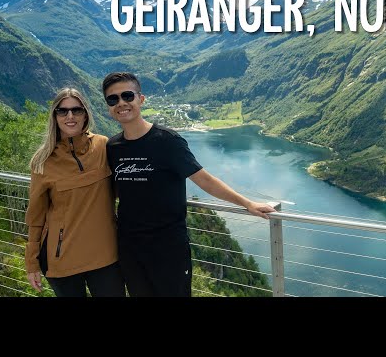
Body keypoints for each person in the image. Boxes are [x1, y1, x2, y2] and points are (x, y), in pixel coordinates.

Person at [102, 72, 276, 297]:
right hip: (130, 247)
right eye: (113, 99)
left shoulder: (167, 141)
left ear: (141, 99)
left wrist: (247, 203)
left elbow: (204, 179)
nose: (121, 103)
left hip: (168, 248)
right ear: (108, 105)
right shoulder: (113, 147)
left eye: (127, 96)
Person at [25, 88, 125, 297]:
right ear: (55, 116)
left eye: (76, 110)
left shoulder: (103, 146)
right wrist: (31, 262)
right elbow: (36, 216)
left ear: (85, 114)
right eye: (63, 111)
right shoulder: (42, 161)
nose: (70, 116)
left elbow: (125, 188)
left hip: (105, 255)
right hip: (62, 260)